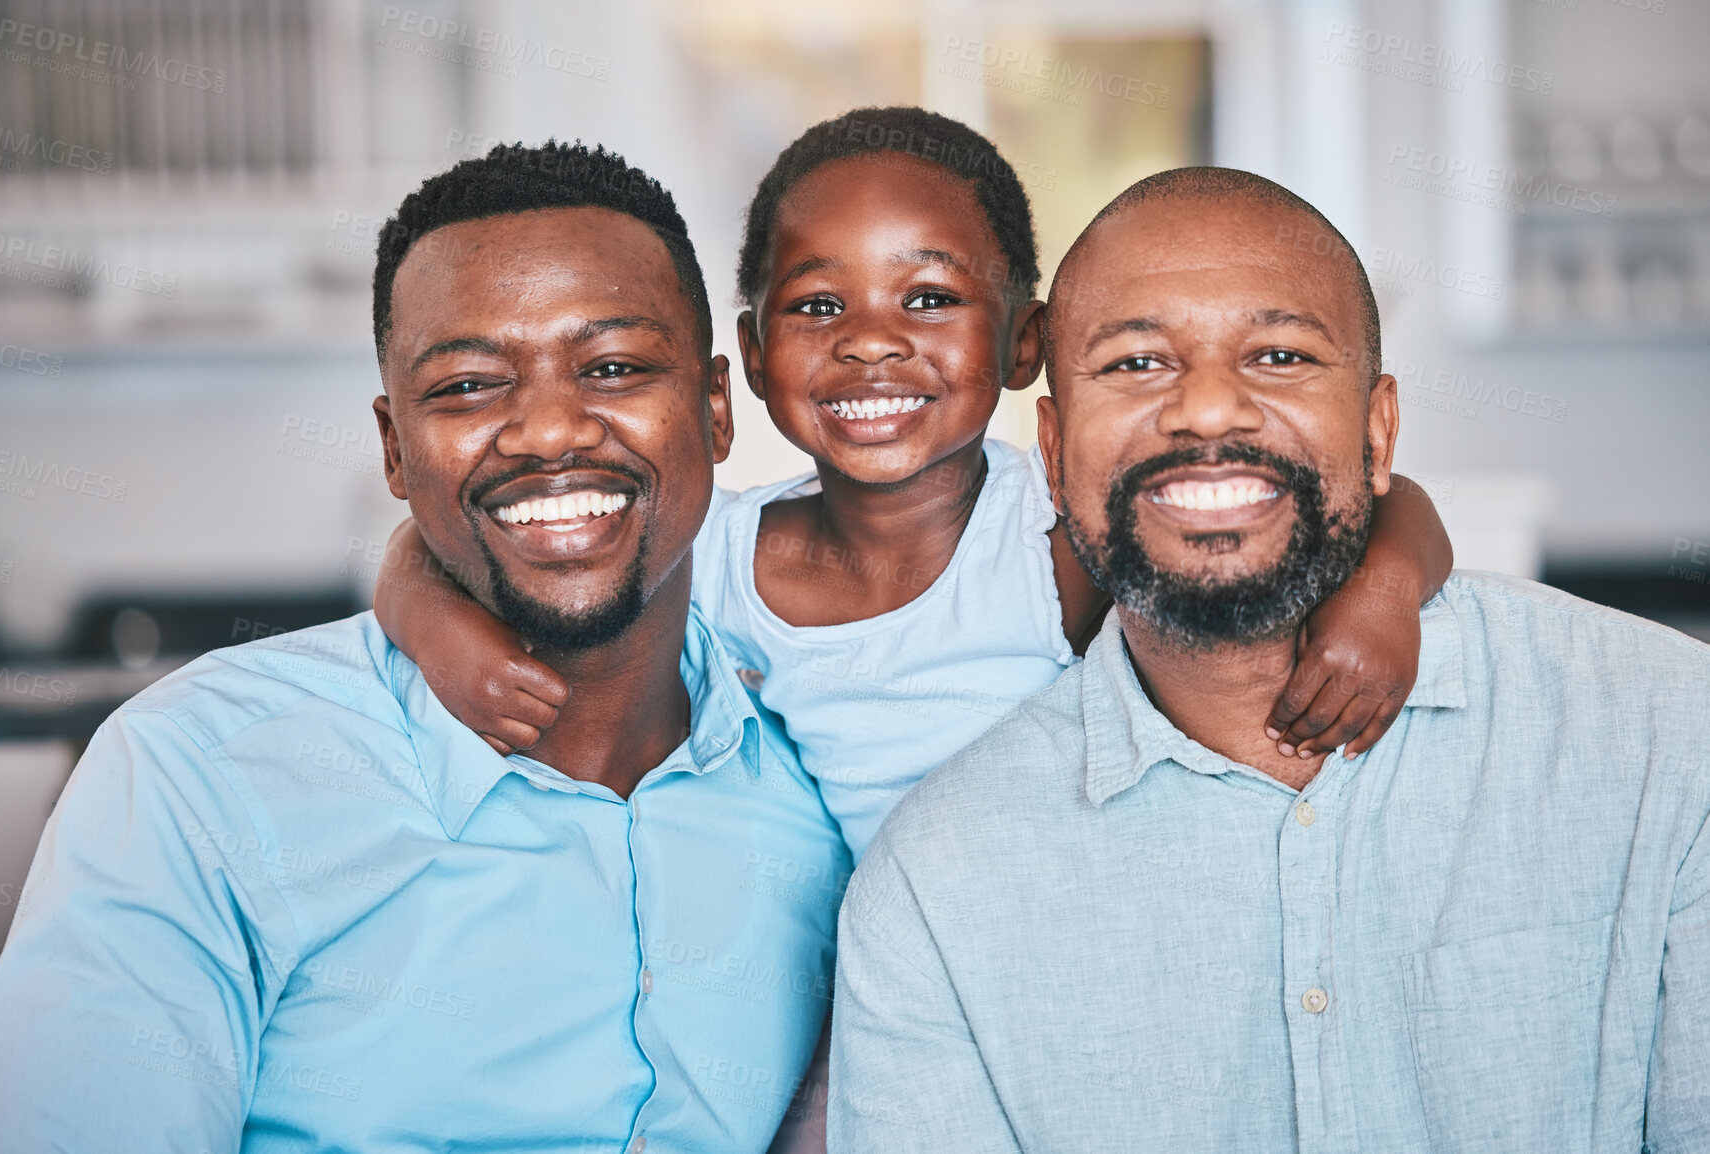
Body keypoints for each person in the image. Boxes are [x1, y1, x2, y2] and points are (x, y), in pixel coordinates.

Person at [0, 142, 849, 1153]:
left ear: (712, 407)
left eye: (612, 367)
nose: (549, 429)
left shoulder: (826, 761)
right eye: (470, 385)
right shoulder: (195, 780)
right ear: (395, 449)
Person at [829, 167, 1710, 1151]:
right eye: (1134, 364)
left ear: (1380, 432)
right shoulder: (936, 888)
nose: (1209, 411)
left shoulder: (1666, 739)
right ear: (1053, 444)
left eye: (1280, 354)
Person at [373, 108, 1453, 864]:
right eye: (816, 308)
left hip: (1024, 935)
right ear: (750, 359)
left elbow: (1385, 500)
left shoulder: (1055, 539)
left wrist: (1384, 596)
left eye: (929, 299)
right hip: (819, 974)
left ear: (1024, 341)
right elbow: (428, 546)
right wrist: (439, 633)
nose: (871, 346)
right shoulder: (719, 558)